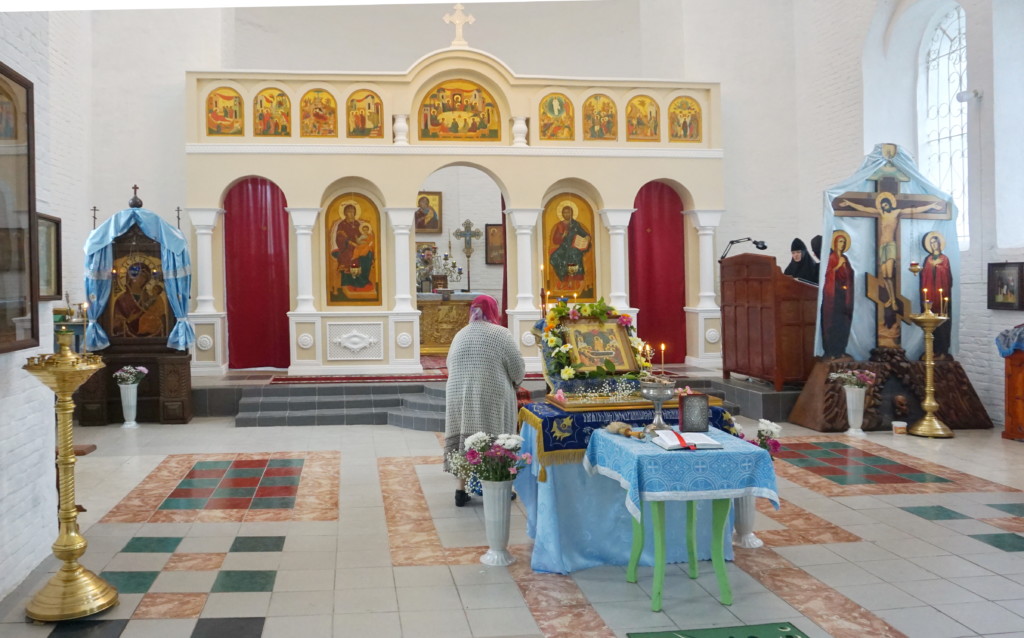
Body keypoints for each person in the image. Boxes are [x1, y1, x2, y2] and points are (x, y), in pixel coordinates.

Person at [444, 295, 525, 507]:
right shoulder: (501, 334)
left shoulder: (460, 333)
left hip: (459, 394)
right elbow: (517, 368)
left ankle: (460, 490)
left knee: (465, 441)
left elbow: (449, 363)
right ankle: (497, 486)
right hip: (490, 395)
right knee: (495, 437)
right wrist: (516, 383)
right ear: (493, 310)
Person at [821, 232, 855, 359]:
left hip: (844, 295)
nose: (842, 244)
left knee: (843, 323)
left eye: (844, 242)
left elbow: (850, 274)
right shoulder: (832, 258)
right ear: (835, 243)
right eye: (840, 242)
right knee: (833, 323)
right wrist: (838, 265)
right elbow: (828, 274)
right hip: (834, 296)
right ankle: (831, 351)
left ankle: (841, 350)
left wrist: (848, 270)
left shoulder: (845, 258)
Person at [112, 261, 169, 338]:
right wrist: (129, 320)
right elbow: (116, 325)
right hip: (127, 340)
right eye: (139, 276)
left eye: (144, 277)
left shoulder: (150, 297)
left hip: (153, 337)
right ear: (131, 277)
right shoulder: (122, 300)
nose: (142, 279)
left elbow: (161, 317)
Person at [920, 231, 953, 357]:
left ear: (939, 244)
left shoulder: (944, 259)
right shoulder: (928, 259)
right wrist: (930, 267)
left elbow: (947, 277)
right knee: (930, 325)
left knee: (942, 324)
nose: (934, 245)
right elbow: (924, 276)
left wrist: (938, 267)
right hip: (930, 297)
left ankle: (943, 351)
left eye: (935, 242)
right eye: (931, 243)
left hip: (941, 297)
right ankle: (932, 351)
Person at [549, 204, 591, 290]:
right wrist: (562, 236)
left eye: (568, 212)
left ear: (571, 213)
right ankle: (563, 278)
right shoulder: (560, 225)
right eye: (564, 212)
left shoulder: (575, 224)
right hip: (564, 247)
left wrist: (587, 236)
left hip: (574, 247)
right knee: (554, 257)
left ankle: (577, 282)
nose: (566, 214)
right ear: (562, 214)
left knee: (573, 256)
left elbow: (583, 233)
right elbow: (555, 240)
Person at [332, 204, 361, 273]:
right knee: (350, 253)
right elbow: (340, 237)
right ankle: (348, 269)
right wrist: (350, 243)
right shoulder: (342, 224)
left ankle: (357, 273)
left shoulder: (357, 223)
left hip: (358, 244)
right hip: (346, 246)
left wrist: (359, 241)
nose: (351, 214)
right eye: (349, 212)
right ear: (345, 213)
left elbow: (361, 234)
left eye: (353, 212)